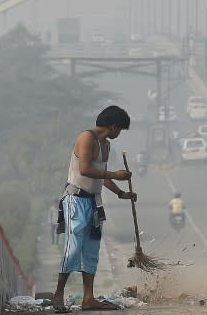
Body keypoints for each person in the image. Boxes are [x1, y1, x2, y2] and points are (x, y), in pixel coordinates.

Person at [52, 106, 136, 313]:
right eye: (120, 130)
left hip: (93, 202)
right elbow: (86, 169)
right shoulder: (86, 138)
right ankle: (58, 295)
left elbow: (103, 175)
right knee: (73, 248)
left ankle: (88, 298)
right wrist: (116, 174)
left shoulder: (105, 145)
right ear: (113, 126)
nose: (119, 134)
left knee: (91, 251)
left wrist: (120, 193)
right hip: (75, 200)